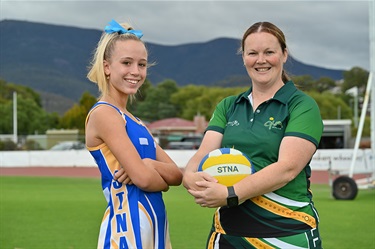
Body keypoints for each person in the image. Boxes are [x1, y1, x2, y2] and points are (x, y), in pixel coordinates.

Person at [183, 21, 324, 249]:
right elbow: (203, 154)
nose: (261, 60)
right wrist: (189, 177)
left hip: (286, 234)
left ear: (284, 54)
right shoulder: (229, 105)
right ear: (243, 58)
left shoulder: (302, 105)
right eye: (252, 53)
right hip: (228, 234)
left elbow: (287, 169)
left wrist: (230, 194)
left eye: (269, 52)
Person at [85, 19, 182, 249]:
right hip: (126, 232)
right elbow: (143, 180)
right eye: (126, 63)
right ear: (107, 67)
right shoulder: (104, 114)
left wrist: (148, 164)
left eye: (142, 64)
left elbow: (176, 175)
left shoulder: (135, 121)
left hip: (155, 228)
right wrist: (152, 175)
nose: (135, 72)